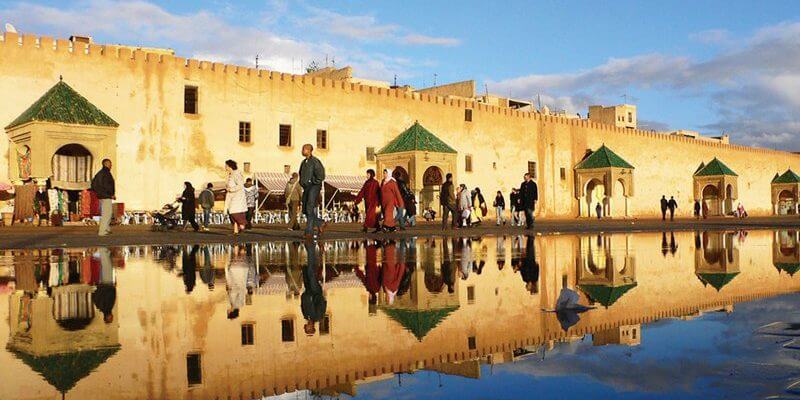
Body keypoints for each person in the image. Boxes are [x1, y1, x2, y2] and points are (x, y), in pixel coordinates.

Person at [299, 144, 326, 239]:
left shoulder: (315, 161)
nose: (302, 151)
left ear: (309, 150)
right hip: (306, 187)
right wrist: (302, 182)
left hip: (314, 186)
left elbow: (321, 175)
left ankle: (309, 232)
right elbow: (301, 173)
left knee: (309, 207)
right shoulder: (304, 162)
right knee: (306, 209)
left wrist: (313, 182)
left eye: (304, 149)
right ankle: (320, 223)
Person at [302, 241, 327, 335]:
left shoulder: (305, 316)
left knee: (307, 270)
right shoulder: (318, 316)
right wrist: (316, 295)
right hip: (315, 291)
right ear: (312, 327)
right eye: (309, 328)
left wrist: (304, 296)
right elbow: (322, 303)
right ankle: (311, 249)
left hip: (308, 290)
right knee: (311, 273)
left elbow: (303, 305)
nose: (307, 326)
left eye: (306, 328)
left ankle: (311, 250)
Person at [91, 158, 115, 236]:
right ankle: (102, 231)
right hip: (106, 196)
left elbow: (94, 184)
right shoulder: (106, 173)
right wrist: (111, 194)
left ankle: (107, 228)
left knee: (105, 213)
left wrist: (98, 192)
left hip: (101, 196)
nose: (111, 165)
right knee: (107, 213)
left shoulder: (100, 173)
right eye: (110, 163)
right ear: (106, 164)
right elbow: (107, 185)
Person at [92, 247, 116, 323]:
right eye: (111, 318)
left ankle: (102, 251)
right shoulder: (105, 308)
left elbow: (109, 296)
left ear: (106, 317)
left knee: (106, 266)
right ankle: (103, 253)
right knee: (106, 267)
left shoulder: (104, 307)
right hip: (105, 284)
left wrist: (102, 288)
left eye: (110, 318)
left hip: (106, 284)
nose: (111, 317)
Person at [224, 160, 248, 235]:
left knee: (233, 212)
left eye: (226, 165)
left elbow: (240, 185)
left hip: (237, 197)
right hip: (231, 196)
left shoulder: (236, 174)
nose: (225, 167)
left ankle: (242, 225)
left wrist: (231, 189)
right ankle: (235, 231)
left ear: (229, 166)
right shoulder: (230, 174)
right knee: (231, 214)